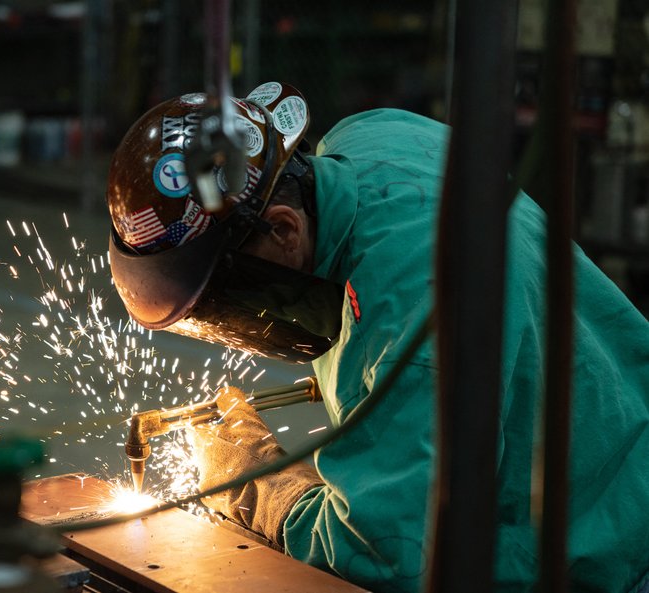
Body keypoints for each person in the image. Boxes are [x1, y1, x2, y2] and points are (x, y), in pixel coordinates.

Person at [104, 83, 649, 593]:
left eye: (227, 298)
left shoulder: (409, 337)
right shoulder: (373, 134)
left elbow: (383, 556)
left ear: (286, 228)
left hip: (611, 554)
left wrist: (254, 485)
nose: (232, 324)